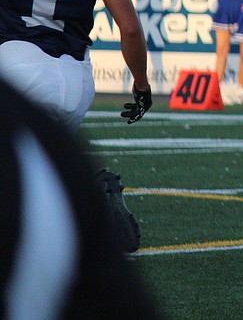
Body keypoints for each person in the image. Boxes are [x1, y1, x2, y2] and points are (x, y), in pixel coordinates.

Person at [0, 0, 153, 252]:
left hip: (15, 69)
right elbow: (131, 30)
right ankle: (90, 201)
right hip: (74, 81)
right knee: (39, 170)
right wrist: (141, 84)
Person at [0, 76, 164, 317]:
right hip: (78, 78)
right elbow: (130, 35)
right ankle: (91, 205)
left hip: (24, 64)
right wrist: (142, 86)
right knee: (56, 168)